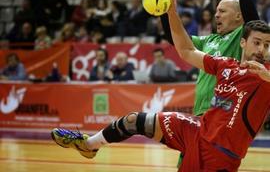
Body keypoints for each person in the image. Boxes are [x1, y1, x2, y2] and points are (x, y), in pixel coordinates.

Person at [50, 18, 270, 171]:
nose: (261, 50)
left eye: (267, 45)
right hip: (196, 132)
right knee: (134, 121)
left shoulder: (266, 76)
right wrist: (171, 10)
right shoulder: (226, 65)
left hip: (220, 156)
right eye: (257, 42)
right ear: (243, 42)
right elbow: (186, 51)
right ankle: (89, 146)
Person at [157, 0, 259, 166]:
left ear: (239, 16)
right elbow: (175, 40)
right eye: (216, 11)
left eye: (222, 11)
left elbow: (253, 22)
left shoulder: (242, 38)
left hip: (220, 115)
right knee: (187, 162)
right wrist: (165, 9)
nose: (216, 15)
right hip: (200, 113)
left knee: (206, 163)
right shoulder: (208, 40)